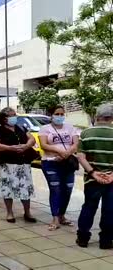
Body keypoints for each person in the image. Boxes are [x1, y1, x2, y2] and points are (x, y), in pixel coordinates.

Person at [0, 107, 37, 223]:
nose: (13, 117)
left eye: (14, 114)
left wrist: (26, 146)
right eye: (10, 115)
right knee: (8, 188)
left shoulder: (21, 127)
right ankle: (9, 213)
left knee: (26, 188)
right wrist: (10, 148)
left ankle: (27, 212)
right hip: (7, 163)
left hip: (23, 163)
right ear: (4, 118)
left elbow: (31, 139)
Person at [76, 103, 113, 249]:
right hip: (111, 180)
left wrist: (93, 172)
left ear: (97, 116)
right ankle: (106, 241)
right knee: (110, 210)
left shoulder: (86, 133)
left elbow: (80, 157)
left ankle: (83, 238)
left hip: (92, 180)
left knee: (89, 207)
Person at [39, 105, 80, 231]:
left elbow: (76, 143)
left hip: (68, 163)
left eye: (62, 114)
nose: (60, 116)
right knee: (55, 189)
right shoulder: (45, 128)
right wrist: (59, 151)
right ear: (51, 115)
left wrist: (66, 154)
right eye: (57, 114)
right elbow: (44, 145)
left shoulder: (70, 127)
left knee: (67, 189)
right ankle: (55, 218)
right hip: (51, 163)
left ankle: (62, 215)